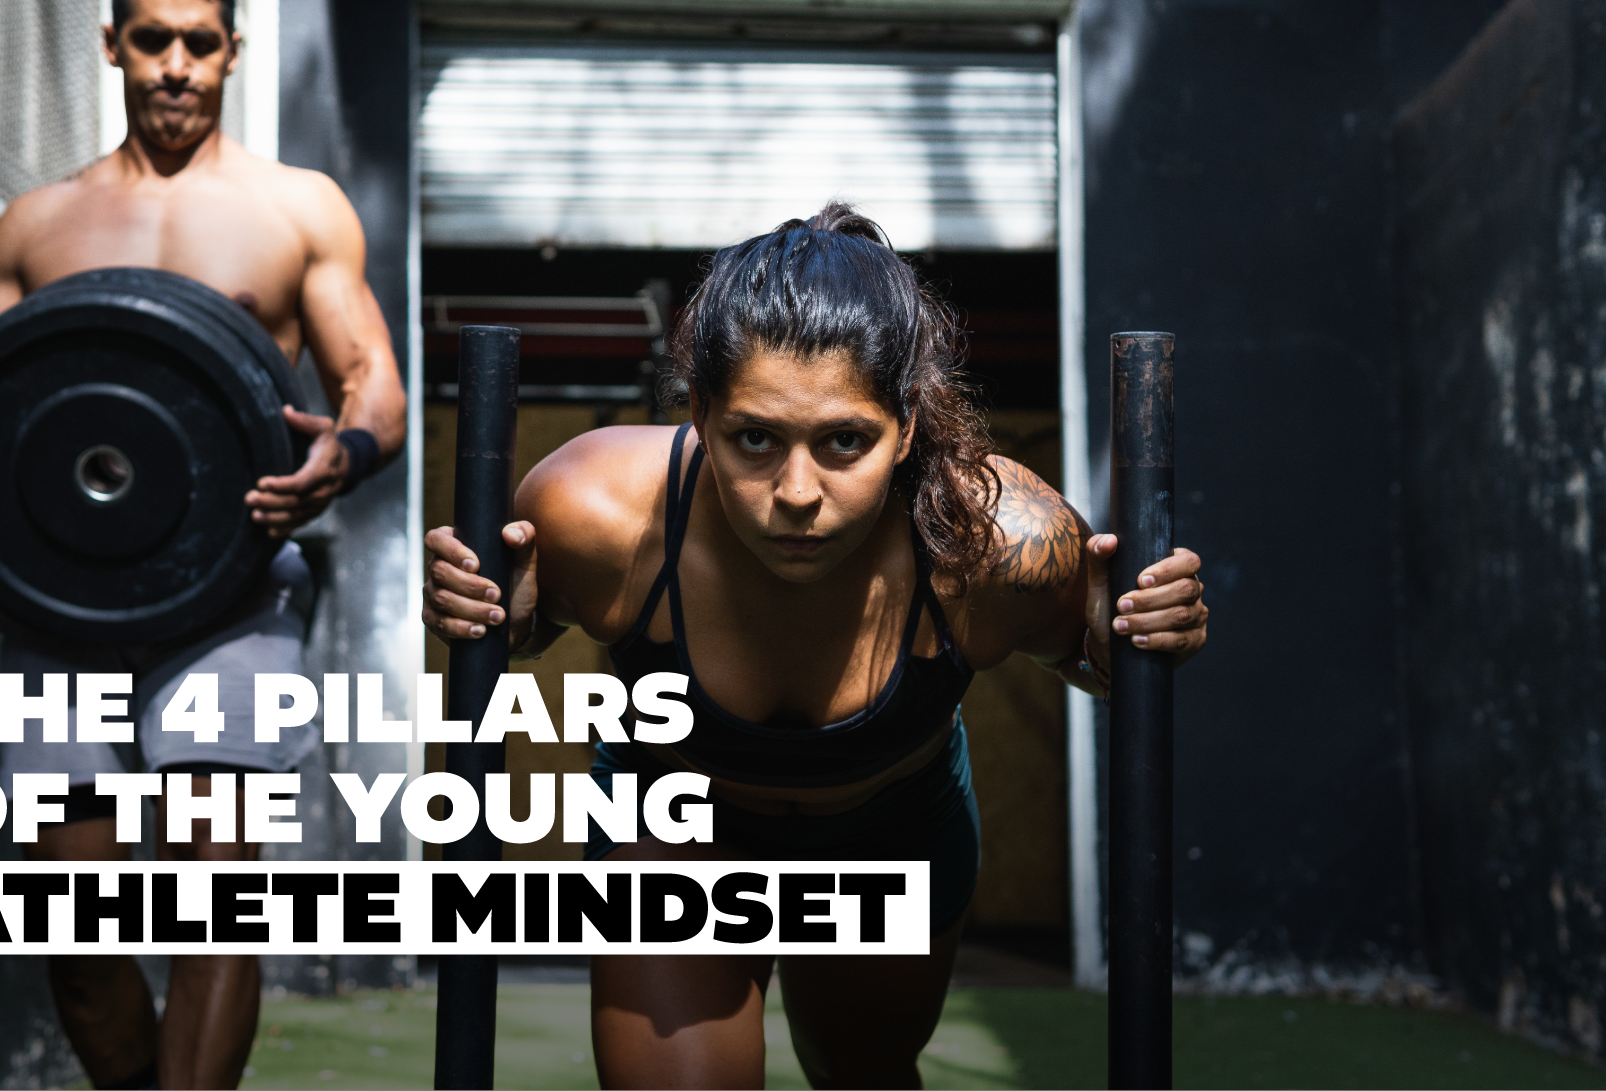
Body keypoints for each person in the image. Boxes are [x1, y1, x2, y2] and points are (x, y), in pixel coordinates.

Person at [423, 203, 1209, 1089]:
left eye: (845, 441)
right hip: (675, 827)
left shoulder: (1001, 541)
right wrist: (498, 613)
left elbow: (1089, 659)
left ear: (906, 425)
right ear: (703, 410)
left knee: (861, 1070)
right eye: (754, 438)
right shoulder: (595, 512)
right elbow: (520, 630)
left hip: (889, 831)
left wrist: (1133, 641)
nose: (797, 492)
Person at [0, 1, 406, 1086]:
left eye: (202, 44)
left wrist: (343, 456)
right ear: (112, 44)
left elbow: (374, 389)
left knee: (211, 905)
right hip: (59, 608)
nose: (178, 68)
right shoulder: (37, 224)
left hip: (230, 591)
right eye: (154, 40)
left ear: (233, 50)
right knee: (73, 938)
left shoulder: (295, 209)